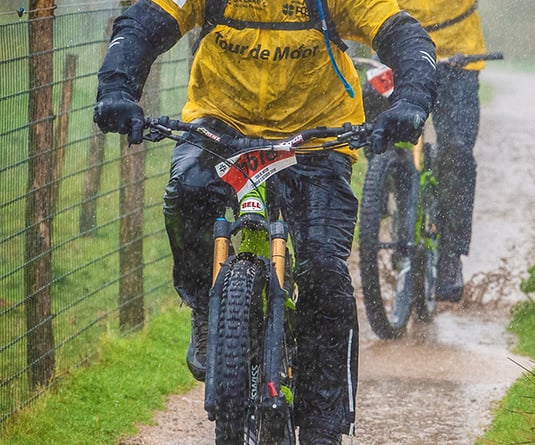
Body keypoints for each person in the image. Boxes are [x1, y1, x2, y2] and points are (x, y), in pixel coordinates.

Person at [93, 0, 436, 443]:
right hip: (221, 126)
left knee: (325, 277)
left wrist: (411, 100)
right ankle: (204, 304)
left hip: (316, 137)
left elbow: (403, 33)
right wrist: (117, 89)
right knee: (186, 196)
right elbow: (143, 24)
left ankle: (323, 424)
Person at [363, 0, 487, 303]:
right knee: (370, 125)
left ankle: (450, 256)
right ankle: (385, 187)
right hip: (396, 55)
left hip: (457, 59)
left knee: (456, 152)